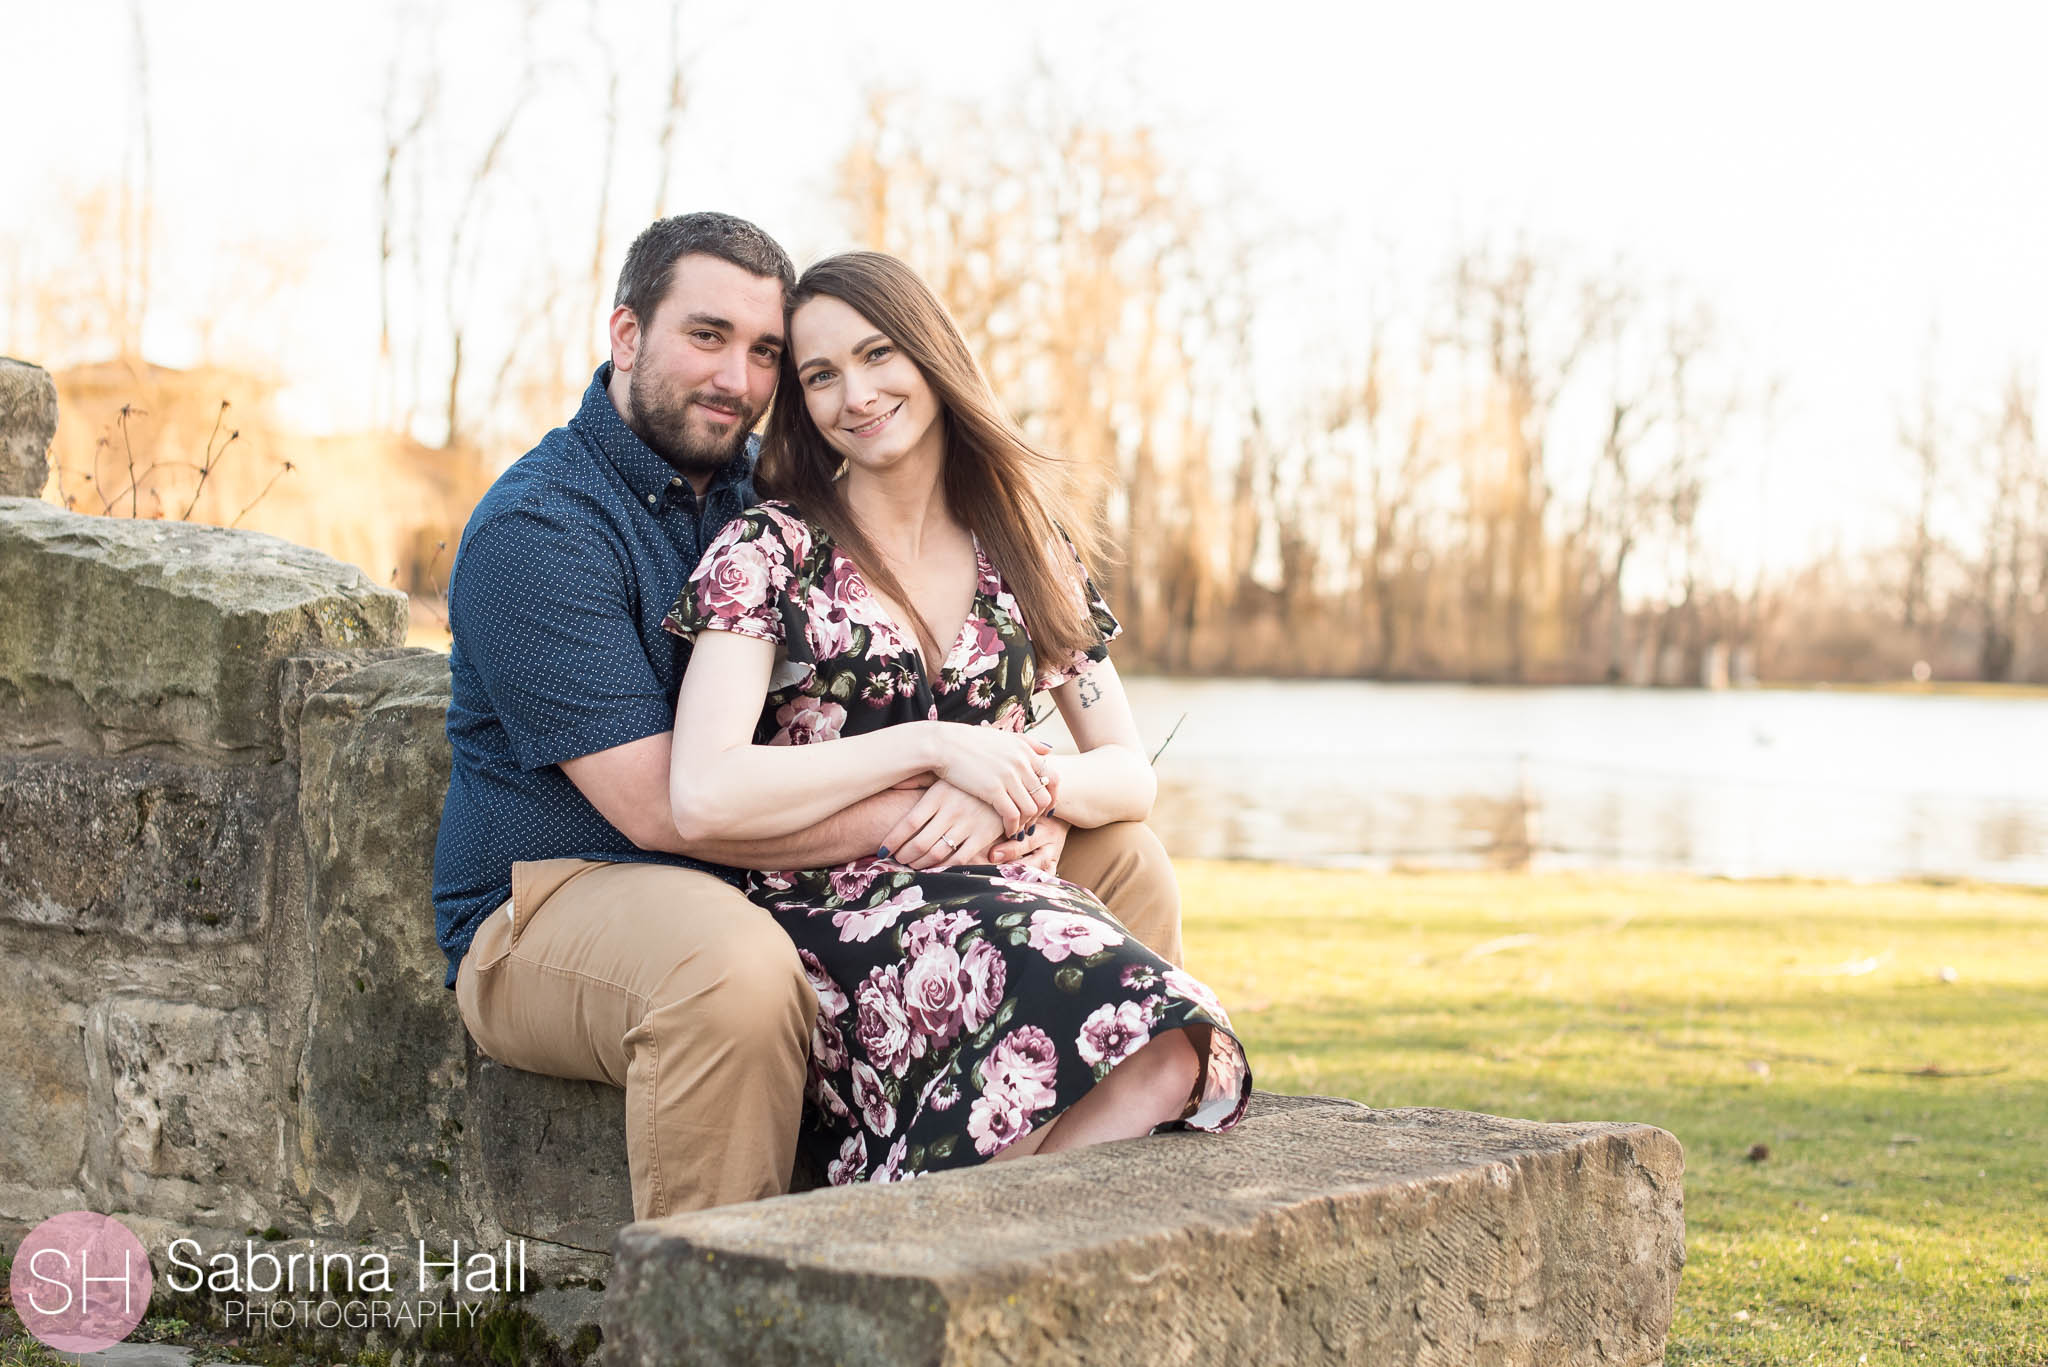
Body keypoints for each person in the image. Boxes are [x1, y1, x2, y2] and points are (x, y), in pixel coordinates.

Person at [432, 213, 1190, 1218]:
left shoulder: (783, 489)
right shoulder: (544, 530)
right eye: (706, 337)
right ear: (625, 335)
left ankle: (1072, 1233)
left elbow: (1112, 754)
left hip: (780, 867)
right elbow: (666, 811)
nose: (737, 380)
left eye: (763, 354)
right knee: (729, 968)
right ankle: (725, 1296)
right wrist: (945, 792)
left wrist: (1022, 794)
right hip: (568, 890)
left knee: (1123, 853)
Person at [660, 251, 1250, 1183]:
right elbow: (702, 789)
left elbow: (1129, 770)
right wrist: (938, 748)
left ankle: (978, 1257)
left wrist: (1023, 791)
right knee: (1094, 1030)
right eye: (820, 376)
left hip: (1000, 888)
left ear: (931, 355)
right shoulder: (768, 549)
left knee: (1170, 1048)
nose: (855, 393)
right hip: (832, 915)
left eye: (877, 354)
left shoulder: (1023, 545)